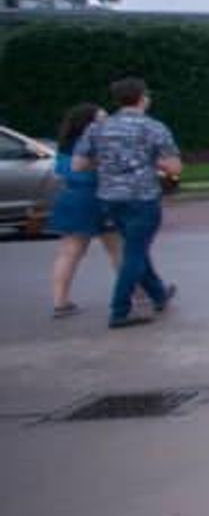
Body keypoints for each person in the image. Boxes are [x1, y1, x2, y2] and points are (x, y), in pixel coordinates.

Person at [73, 76, 181, 329]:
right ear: (142, 98)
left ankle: (158, 294)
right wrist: (150, 161)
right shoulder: (153, 127)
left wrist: (108, 162)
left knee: (135, 246)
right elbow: (174, 167)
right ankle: (119, 309)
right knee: (135, 252)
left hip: (110, 197)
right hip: (142, 196)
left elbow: (78, 164)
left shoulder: (98, 128)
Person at [47, 103, 120, 317]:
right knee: (117, 248)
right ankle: (137, 291)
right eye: (102, 119)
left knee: (69, 251)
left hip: (70, 197)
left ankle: (60, 301)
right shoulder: (95, 144)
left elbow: (62, 171)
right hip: (97, 197)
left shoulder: (65, 145)